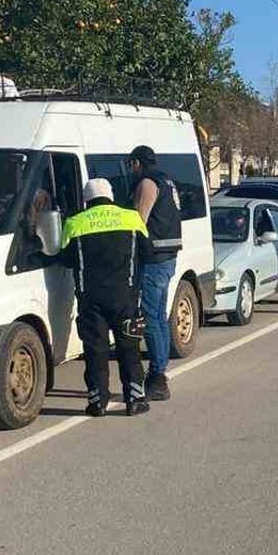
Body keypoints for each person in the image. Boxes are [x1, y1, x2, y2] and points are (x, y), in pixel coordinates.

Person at [59, 179, 152, 417]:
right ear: (110, 196)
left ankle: (97, 401)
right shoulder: (131, 218)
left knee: (95, 351)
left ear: (86, 199)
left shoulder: (75, 223)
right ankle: (135, 399)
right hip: (125, 297)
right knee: (128, 349)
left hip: (91, 300)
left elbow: (66, 258)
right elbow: (148, 253)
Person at [128, 145, 181, 402]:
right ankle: (159, 372)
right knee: (159, 317)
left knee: (151, 318)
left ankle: (158, 377)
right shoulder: (167, 181)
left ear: (138, 163)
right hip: (168, 256)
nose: (131, 170)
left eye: (132, 165)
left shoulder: (148, 183)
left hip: (153, 258)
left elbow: (138, 220)